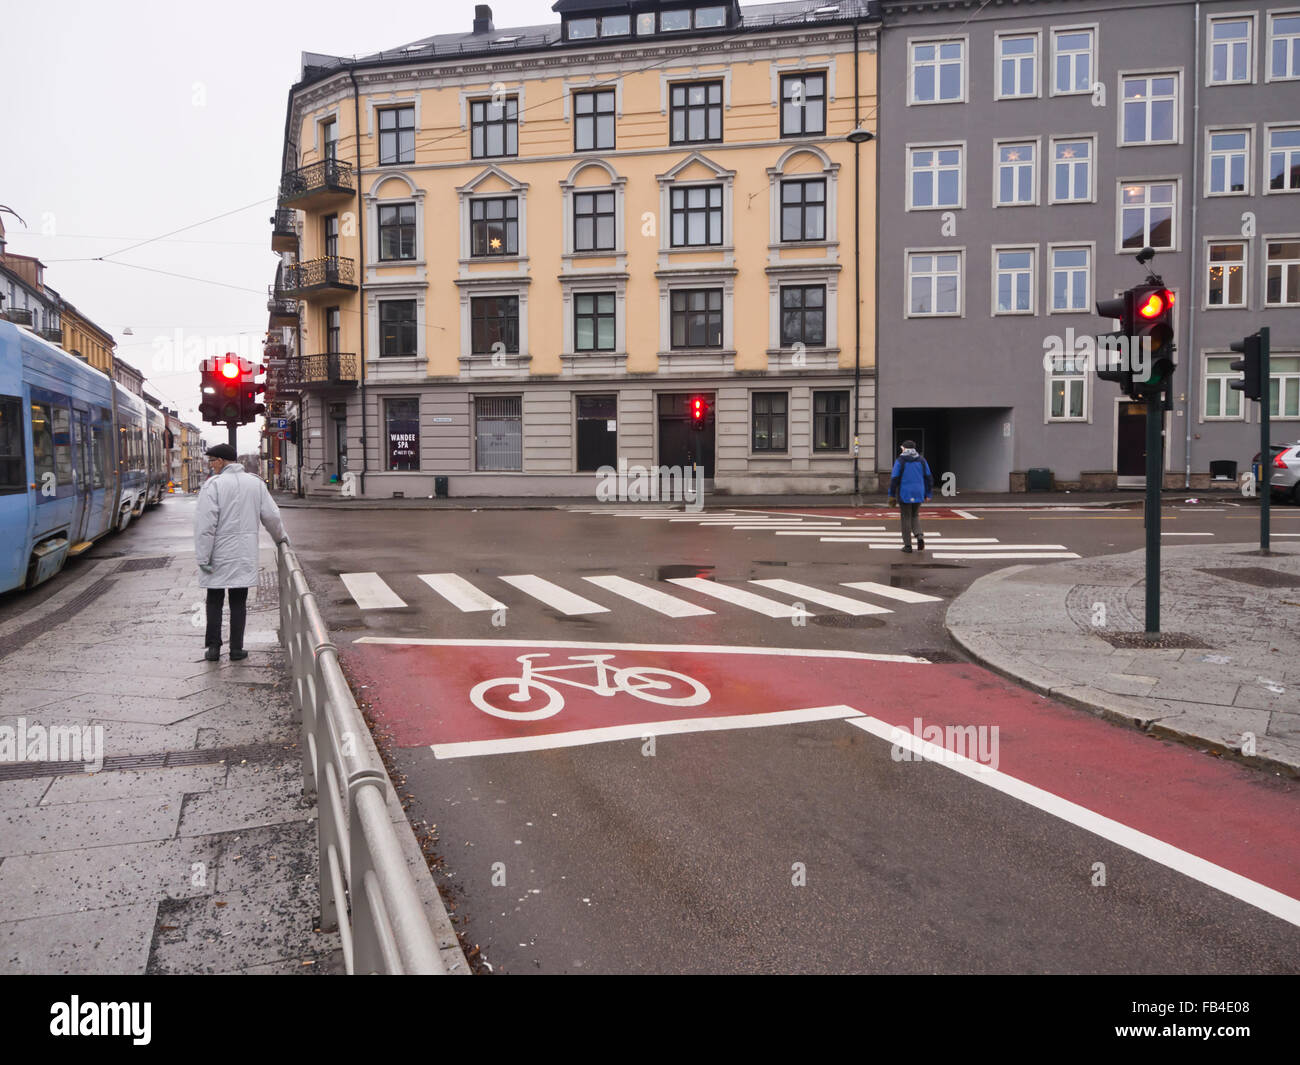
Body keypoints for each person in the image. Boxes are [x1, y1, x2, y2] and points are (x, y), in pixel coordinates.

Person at [194, 443, 288, 661]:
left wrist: (203, 557)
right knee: (238, 600)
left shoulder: (213, 486)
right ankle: (236, 648)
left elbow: (205, 526)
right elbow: (271, 516)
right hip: (244, 553)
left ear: (221, 461)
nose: (211, 466)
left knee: (214, 599)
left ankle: (214, 648)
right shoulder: (255, 484)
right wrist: (281, 538)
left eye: (212, 461)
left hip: (217, 554)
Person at [887, 440, 933, 554]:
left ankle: (908, 546)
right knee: (915, 515)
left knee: (906, 518)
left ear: (904, 449)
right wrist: (928, 494)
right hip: (919, 492)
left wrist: (891, 495)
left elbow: (894, 479)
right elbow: (929, 478)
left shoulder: (900, 461)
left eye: (902, 448)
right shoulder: (922, 460)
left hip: (905, 493)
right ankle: (919, 536)